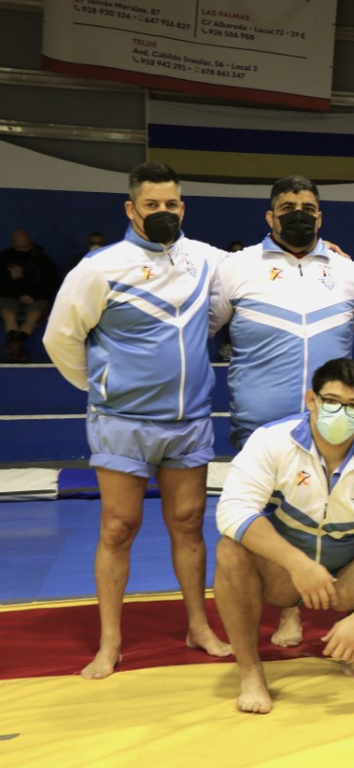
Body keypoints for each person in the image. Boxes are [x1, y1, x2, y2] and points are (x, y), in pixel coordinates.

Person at [43, 162, 232, 679]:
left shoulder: (206, 259)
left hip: (189, 420)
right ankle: (110, 643)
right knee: (118, 527)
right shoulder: (99, 267)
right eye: (152, 205)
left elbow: (259, 266)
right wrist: (100, 388)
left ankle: (198, 626)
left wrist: (329, 252)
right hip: (122, 422)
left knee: (189, 523)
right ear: (132, 209)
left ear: (182, 207)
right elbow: (59, 337)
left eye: (171, 204)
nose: (163, 212)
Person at [209, 175, 354, 649]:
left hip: (331, 428)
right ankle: (289, 612)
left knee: (334, 516)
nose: (298, 214)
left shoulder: (347, 272)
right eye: (287, 207)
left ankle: (352, 607)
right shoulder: (236, 267)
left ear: (320, 217)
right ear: (270, 216)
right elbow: (203, 326)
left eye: (307, 207)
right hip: (259, 426)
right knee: (268, 522)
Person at [213, 358, 354, 714]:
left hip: (347, 575)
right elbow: (233, 510)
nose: (340, 413)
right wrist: (298, 564)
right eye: (331, 401)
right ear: (311, 400)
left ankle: (351, 633)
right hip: (285, 574)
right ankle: (250, 672)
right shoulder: (272, 440)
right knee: (230, 550)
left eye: (352, 406)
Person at [1, 228, 59, 362]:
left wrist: (34, 296)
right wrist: (11, 278)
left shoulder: (43, 260)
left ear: (30, 243)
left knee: (33, 316)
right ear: (13, 244)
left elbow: (51, 284)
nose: (22, 250)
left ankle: (15, 345)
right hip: (10, 296)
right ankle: (16, 346)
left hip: (36, 298)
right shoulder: (4, 258)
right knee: (9, 315)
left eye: (25, 247)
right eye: (18, 247)